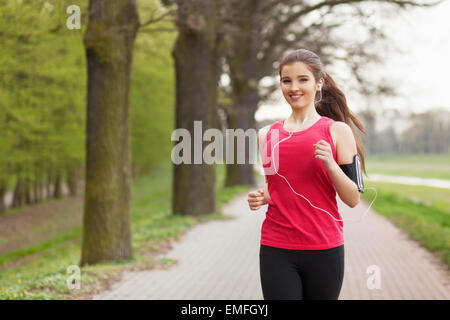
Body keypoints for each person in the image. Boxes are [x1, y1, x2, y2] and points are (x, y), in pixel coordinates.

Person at [247, 48, 368, 300]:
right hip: (276, 246)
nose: (294, 88)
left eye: (303, 79)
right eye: (286, 80)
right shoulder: (266, 136)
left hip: (324, 247)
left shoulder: (337, 131)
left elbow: (353, 198)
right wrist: (263, 196)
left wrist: (331, 165)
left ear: (318, 83)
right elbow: (280, 186)